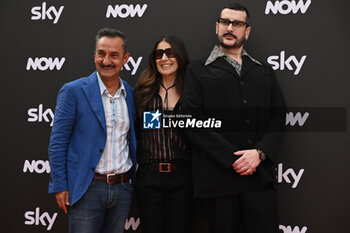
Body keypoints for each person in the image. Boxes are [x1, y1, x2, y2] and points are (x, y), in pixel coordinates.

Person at [182, 3, 286, 233]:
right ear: (217, 27)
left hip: (258, 180)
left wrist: (259, 153)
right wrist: (232, 157)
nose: (230, 27)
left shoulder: (264, 72)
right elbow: (190, 120)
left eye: (237, 23)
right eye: (225, 22)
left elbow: (278, 117)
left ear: (246, 31)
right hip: (217, 182)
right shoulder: (196, 70)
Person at [48, 27, 137, 233]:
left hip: (122, 188)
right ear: (94, 55)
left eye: (114, 55)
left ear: (125, 59)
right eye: (101, 54)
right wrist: (60, 185)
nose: (106, 61)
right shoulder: (73, 91)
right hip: (87, 189)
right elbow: (58, 142)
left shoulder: (131, 94)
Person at [133, 35, 192, 233]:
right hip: (149, 177)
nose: (164, 58)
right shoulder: (143, 92)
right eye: (159, 54)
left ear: (180, 56)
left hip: (183, 176)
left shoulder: (192, 92)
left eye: (170, 53)